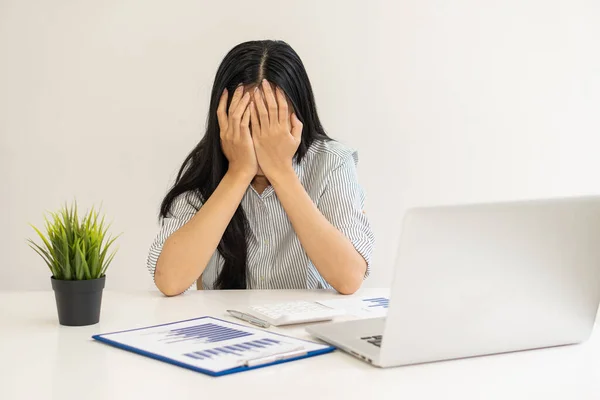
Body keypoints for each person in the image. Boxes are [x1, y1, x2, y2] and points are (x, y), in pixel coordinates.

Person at [147, 40, 375, 296]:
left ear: (299, 117)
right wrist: (238, 173)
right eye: (247, 123)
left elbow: (349, 278)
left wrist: (281, 172)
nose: (261, 139)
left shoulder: (331, 162)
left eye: (273, 122)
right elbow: (170, 280)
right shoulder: (207, 166)